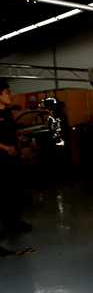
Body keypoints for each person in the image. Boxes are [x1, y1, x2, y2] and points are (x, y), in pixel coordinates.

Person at [0, 80, 33, 236]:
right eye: (7, 92)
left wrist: (19, 149)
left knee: (13, 191)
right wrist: (7, 148)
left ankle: (15, 223)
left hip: (13, 157)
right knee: (3, 193)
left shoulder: (8, 113)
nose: (11, 96)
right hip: (1, 158)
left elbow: (14, 133)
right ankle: (5, 225)